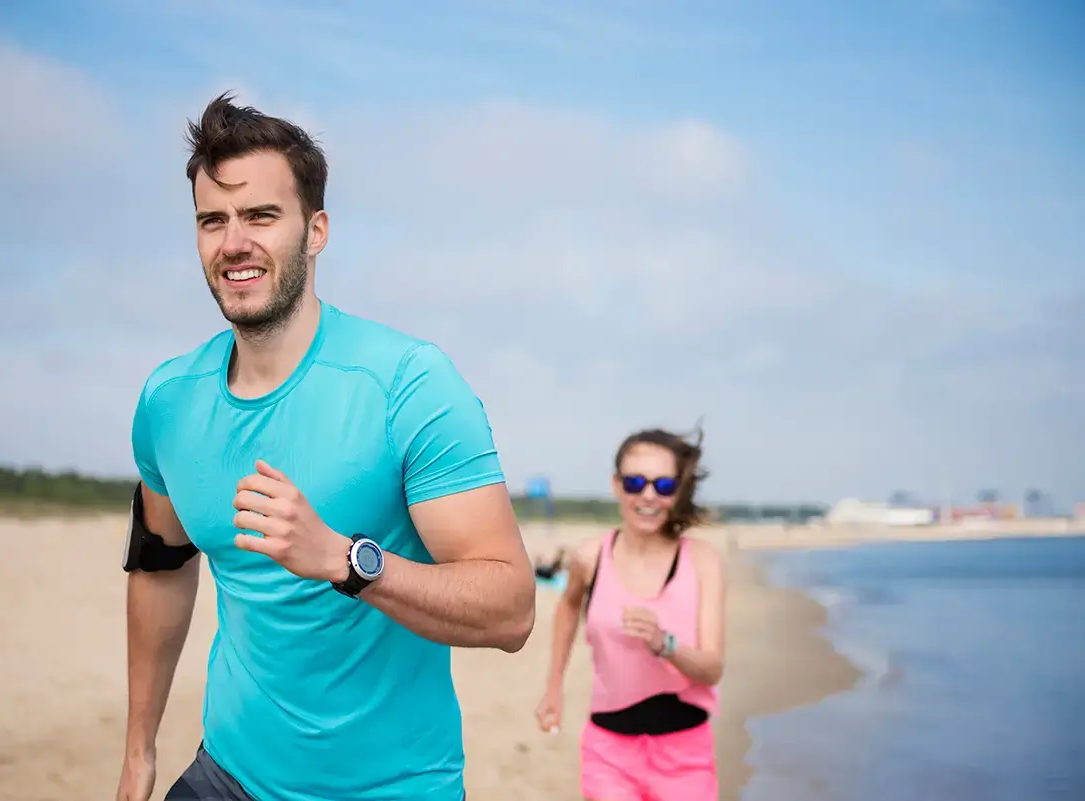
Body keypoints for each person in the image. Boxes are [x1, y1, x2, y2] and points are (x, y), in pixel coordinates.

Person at [114, 92, 537, 801]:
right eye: (212, 220)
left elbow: (512, 608)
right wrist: (139, 750)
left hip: (392, 786)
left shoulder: (408, 384)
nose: (233, 242)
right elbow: (160, 563)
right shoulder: (169, 401)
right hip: (228, 774)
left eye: (260, 216)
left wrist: (348, 561)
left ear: (316, 231)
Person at [534, 428, 725, 801]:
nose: (648, 495)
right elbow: (569, 605)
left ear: (677, 491)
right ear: (617, 485)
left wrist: (665, 644)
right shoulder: (590, 557)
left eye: (663, 485)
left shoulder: (702, 561)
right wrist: (553, 688)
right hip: (609, 754)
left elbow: (712, 668)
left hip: (686, 755)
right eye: (635, 482)